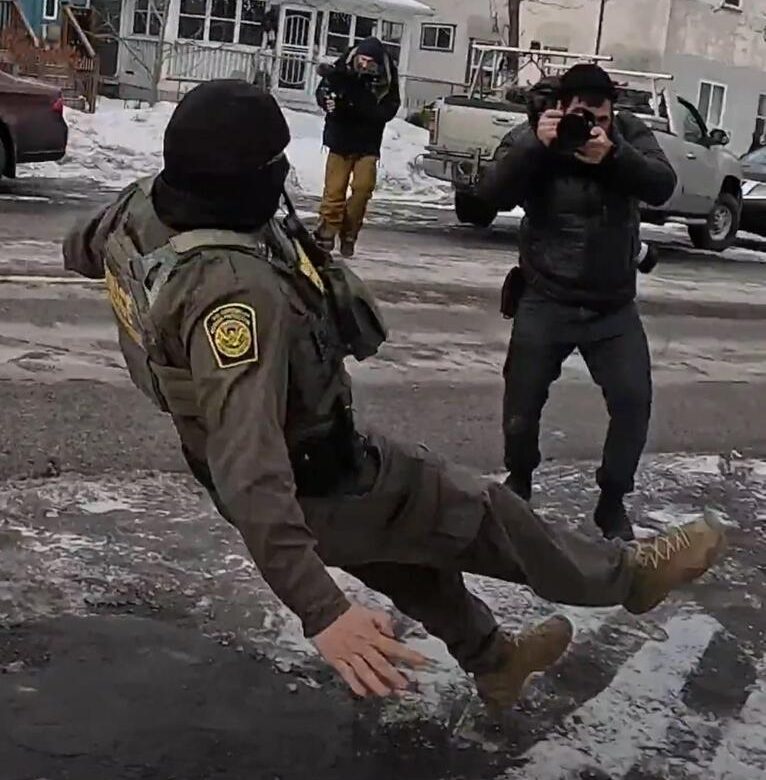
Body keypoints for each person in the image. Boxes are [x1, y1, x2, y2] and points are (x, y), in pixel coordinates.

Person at [63, 80, 724, 716]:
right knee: (476, 511)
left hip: (275, 477)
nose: (283, 175)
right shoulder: (235, 295)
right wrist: (323, 613)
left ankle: (495, 661)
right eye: (273, 166)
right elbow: (250, 469)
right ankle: (627, 576)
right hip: (315, 477)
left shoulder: (144, 207)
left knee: (401, 557)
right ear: (243, 183)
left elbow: (81, 248)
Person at [477, 63, 678, 543]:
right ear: (563, 106)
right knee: (521, 402)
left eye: (601, 117)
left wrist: (614, 155)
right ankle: (520, 478)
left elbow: (662, 184)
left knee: (633, 402)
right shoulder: (537, 133)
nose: (591, 126)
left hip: (612, 305)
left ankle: (612, 501)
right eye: (582, 115)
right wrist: (534, 146)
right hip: (546, 296)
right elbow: (488, 196)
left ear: (613, 112)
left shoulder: (626, 134)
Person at [314, 36, 400, 258]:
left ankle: (349, 233)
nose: (364, 65)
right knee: (334, 191)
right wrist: (328, 101)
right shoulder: (342, 69)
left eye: (370, 62)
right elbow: (323, 90)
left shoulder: (386, 79)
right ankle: (326, 232)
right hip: (340, 138)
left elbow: (388, 109)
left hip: (367, 141)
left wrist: (360, 105)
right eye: (362, 60)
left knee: (362, 189)